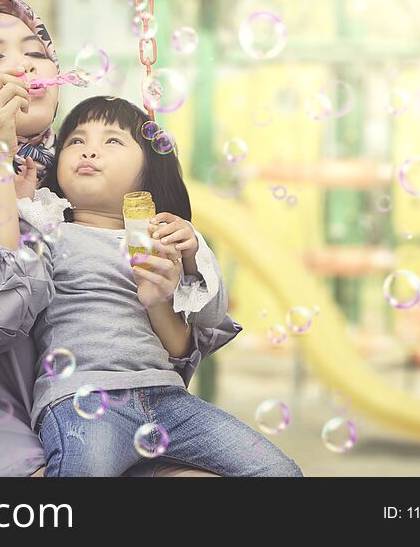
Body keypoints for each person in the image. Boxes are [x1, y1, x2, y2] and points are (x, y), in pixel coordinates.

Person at [0, 0, 219, 476]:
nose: (24, 66)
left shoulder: (61, 200)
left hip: (78, 420)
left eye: (36, 54)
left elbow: (148, 355)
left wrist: (162, 292)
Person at [17, 95, 304, 477]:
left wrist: (191, 250)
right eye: (76, 141)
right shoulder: (49, 229)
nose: (89, 151)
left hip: (166, 397)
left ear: (148, 171)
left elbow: (211, 314)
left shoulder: (159, 238)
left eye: (112, 141)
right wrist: (19, 200)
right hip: (82, 396)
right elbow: (9, 258)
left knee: (279, 472)